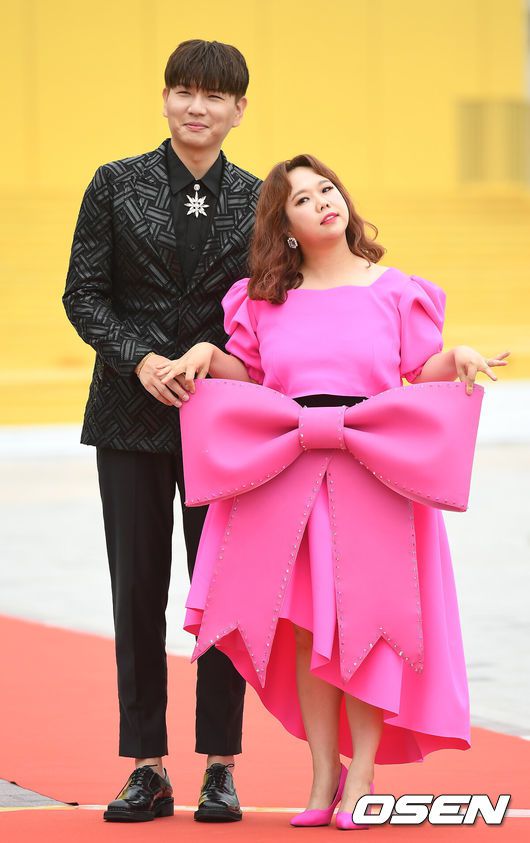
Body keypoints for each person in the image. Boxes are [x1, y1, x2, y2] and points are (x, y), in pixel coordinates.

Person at [158, 153, 510, 829]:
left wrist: (458, 356)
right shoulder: (262, 301)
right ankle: (324, 775)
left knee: (368, 629)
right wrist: (206, 354)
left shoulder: (397, 290)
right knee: (302, 632)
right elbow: (250, 377)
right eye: (302, 199)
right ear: (284, 226)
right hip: (288, 478)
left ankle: (363, 776)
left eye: (327, 189)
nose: (323, 201)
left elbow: (419, 368)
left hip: (372, 475)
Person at [63, 39, 262, 823]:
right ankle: (146, 765)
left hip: (228, 426)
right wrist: (139, 359)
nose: (195, 106)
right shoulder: (114, 184)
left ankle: (221, 765)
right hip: (128, 417)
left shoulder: (261, 199)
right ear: (166, 97)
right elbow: (83, 295)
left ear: (239, 109)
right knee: (137, 590)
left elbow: (273, 308)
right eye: (183, 90)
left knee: (222, 595)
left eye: (213, 95)